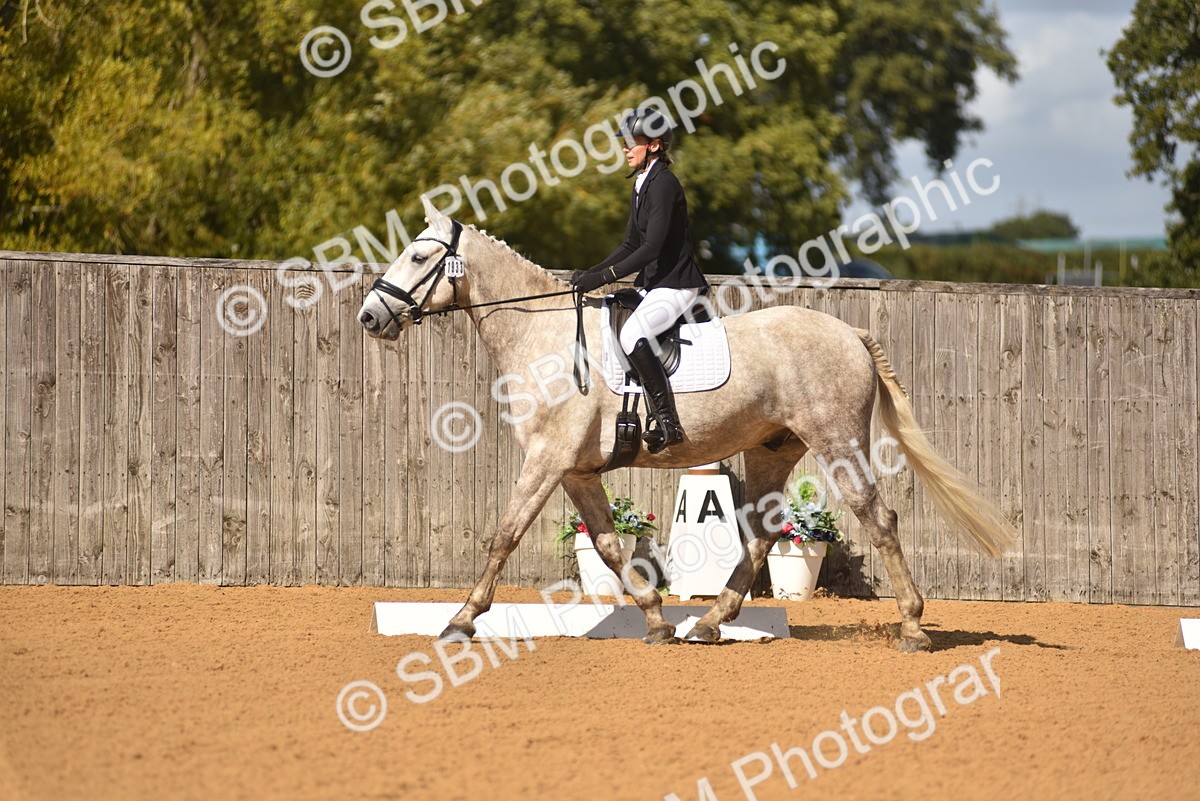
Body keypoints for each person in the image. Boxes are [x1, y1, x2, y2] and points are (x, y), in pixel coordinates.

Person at [571, 108, 710, 454]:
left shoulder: (664, 184)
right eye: (625, 142)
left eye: (632, 142)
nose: (625, 148)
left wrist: (604, 277)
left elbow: (651, 248)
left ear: (654, 145)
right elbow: (630, 244)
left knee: (633, 334)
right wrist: (592, 273)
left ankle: (668, 421)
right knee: (613, 310)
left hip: (677, 285)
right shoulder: (641, 183)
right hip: (655, 285)